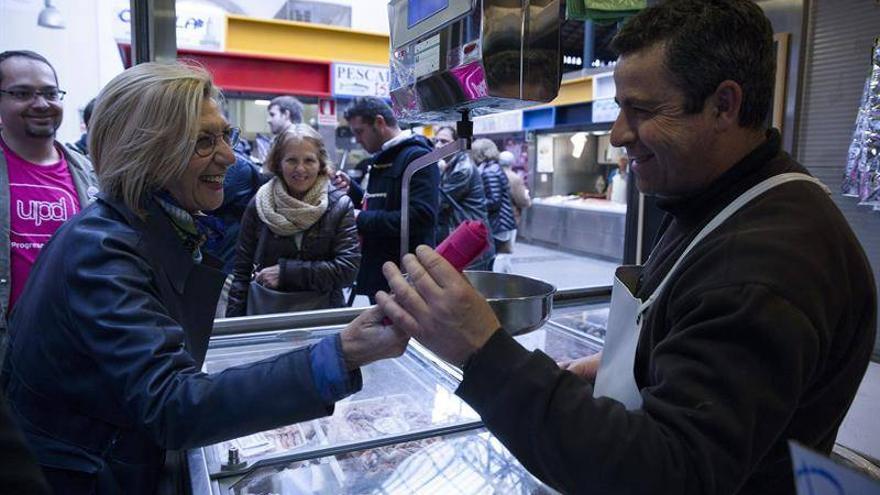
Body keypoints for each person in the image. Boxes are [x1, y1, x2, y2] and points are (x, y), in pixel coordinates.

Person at [375, 1, 877, 494]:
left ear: (724, 105)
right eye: (620, 108)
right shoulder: (716, 198)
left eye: (642, 110)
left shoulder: (767, 264)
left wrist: (483, 350)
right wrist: (633, 366)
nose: (618, 134)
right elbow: (704, 353)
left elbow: (665, 473)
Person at [1, 62, 407, 494]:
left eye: (225, 136)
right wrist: (337, 356)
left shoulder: (151, 228)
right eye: (203, 142)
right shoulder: (101, 249)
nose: (230, 157)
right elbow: (170, 404)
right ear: (148, 151)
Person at [0, 50, 98, 358]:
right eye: (22, 93)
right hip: (10, 350)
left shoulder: (88, 173)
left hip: (75, 344)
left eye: (50, 93)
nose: (41, 104)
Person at [226, 124, 360, 316]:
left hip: (323, 315)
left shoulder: (339, 205)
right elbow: (241, 272)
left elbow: (348, 270)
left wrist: (286, 273)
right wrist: (235, 327)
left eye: (309, 160)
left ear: (320, 163)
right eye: (291, 160)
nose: (300, 169)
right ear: (278, 163)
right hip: (269, 314)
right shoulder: (260, 203)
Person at [332, 96, 438, 301]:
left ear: (379, 122)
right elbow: (382, 203)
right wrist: (353, 191)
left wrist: (358, 218)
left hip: (406, 274)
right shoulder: (384, 156)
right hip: (382, 271)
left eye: (360, 131)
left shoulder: (416, 157)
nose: (357, 139)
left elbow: (421, 217)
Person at [434, 126, 494, 270]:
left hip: (471, 240)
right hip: (467, 237)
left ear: (457, 144)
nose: (438, 145)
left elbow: (438, 203)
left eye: (444, 141)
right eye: (436, 141)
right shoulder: (452, 166)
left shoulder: (462, 169)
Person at [471, 138, 516, 273]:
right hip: (501, 221)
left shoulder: (490, 171)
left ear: (480, 153)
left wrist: (475, 203)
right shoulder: (493, 167)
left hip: (498, 223)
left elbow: (494, 200)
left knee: (497, 260)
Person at [497, 149, 531, 258]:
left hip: (494, 218)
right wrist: (527, 200)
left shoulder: (492, 172)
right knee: (505, 252)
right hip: (509, 218)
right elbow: (522, 200)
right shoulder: (514, 178)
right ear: (512, 162)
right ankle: (503, 273)